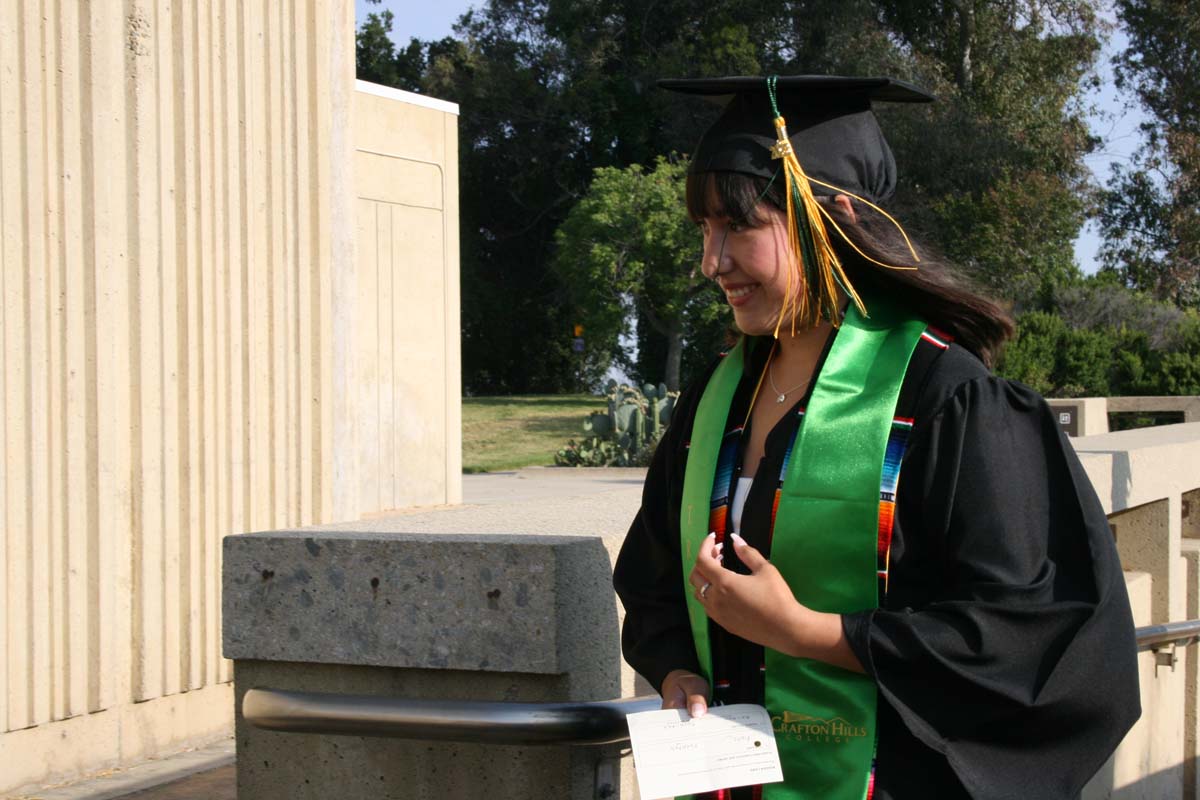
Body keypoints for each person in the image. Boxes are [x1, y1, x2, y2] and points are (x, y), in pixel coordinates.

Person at [612, 75, 1141, 800]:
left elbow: (1021, 633)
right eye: (704, 230)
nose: (713, 262)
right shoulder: (716, 398)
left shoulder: (948, 399)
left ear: (828, 223)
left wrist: (807, 632)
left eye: (739, 226)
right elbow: (652, 578)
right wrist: (675, 668)